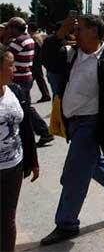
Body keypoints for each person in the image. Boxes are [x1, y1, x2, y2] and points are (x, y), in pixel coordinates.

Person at [40, 15, 104, 246]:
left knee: (74, 174)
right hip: (74, 123)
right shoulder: (71, 54)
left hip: (91, 124)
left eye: (81, 29)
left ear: (95, 33)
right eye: (74, 29)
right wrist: (58, 34)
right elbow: (46, 59)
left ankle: (66, 224)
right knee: (94, 165)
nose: (75, 32)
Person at [0, 45, 40, 252]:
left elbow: (25, 128)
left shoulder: (15, 90)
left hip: (13, 167)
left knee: (7, 219)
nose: (14, 69)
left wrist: (32, 161)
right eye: (10, 65)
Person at [4, 17, 53, 146]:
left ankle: (43, 132)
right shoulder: (28, 39)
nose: (8, 30)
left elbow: (5, 56)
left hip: (19, 78)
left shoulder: (18, 41)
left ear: (15, 28)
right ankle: (43, 132)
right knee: (25, 106)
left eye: (9, 28)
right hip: (26, 76)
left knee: (23, 108)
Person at [27, 23, 51, 103]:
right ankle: (45, 95)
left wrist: (31, 59)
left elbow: (35, 50)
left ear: (30, 29)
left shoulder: (33, 37)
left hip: (35, 61)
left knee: (30, 79)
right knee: (39, 78)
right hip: (40, 60)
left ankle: (24, 95)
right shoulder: (39, 36)